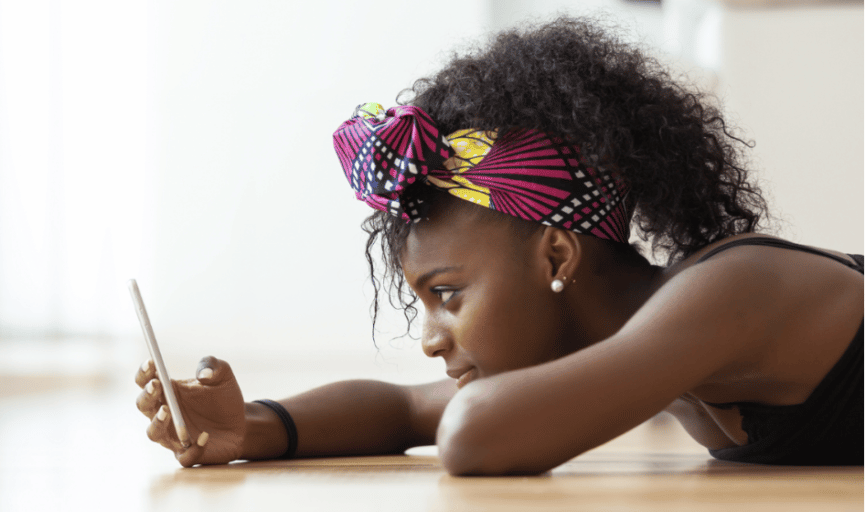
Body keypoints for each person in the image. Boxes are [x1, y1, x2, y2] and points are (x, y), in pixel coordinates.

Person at [135, 17, 863, 474]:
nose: (429, 339)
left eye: (446, 294)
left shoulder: (732, 294)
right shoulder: (646, 343)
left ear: (556, 255)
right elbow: (404, 410)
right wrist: (254, 427)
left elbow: (474, 433)